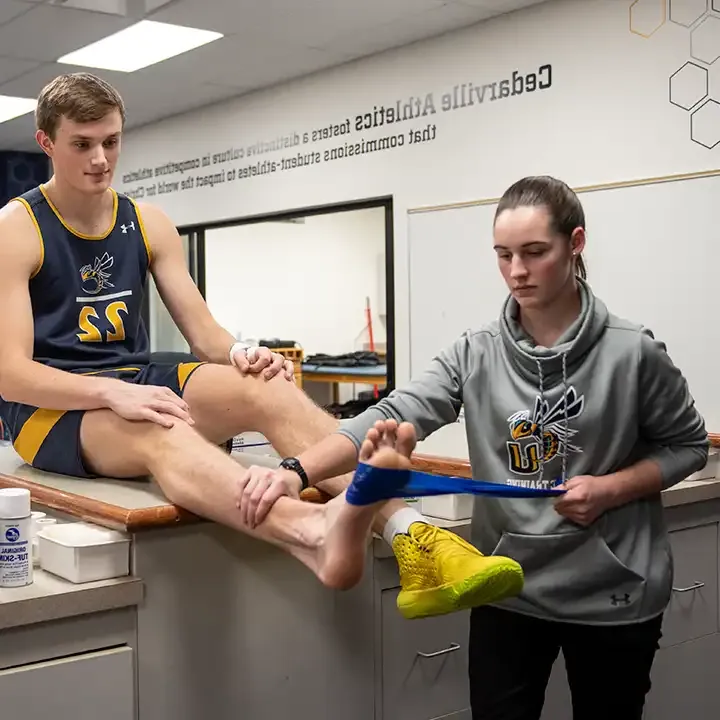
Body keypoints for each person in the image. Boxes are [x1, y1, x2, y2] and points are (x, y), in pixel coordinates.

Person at [0, 71, 526, 617]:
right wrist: (110, 395)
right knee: (160, 427)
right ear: (46, 143)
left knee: (265, 385)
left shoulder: (147, 222)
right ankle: (313, 534)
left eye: (111, 141)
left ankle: (412, 533)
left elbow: (204, 334)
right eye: (82, 145)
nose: (101, 159)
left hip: (131, 380)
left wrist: (239, 354)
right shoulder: (17, 229)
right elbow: (9, 373)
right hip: (49, 409)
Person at [238, 175, 709, 719]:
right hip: (506, 588)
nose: (517, 272)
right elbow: (389, 412)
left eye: (535, 253)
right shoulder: (474, 353)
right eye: (503, 255)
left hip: (613, 596)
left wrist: (611, 488)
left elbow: (688, 445)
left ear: (576, 244)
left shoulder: (633, 353)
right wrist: (295, 472)